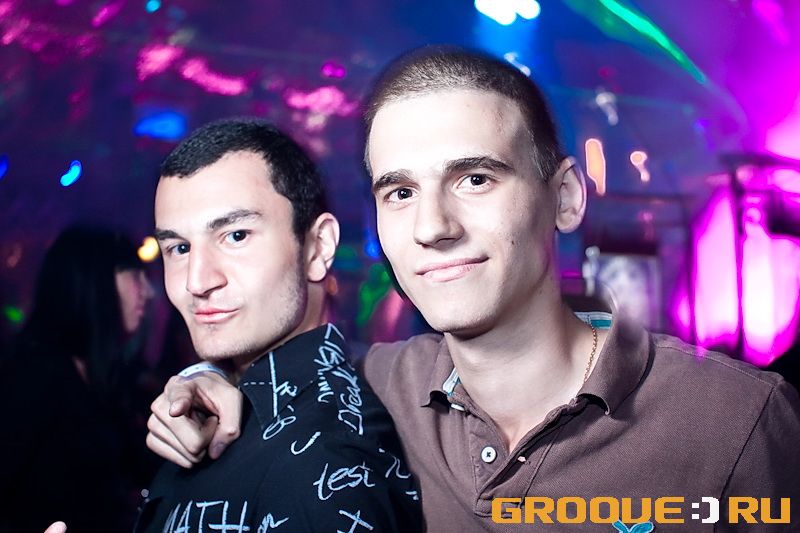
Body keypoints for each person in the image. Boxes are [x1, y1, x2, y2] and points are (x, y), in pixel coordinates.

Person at [147, 48, 800, 531]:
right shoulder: (374, 389)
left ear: (564, 198)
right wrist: (209, 378)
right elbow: (284, 365)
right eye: (400, 192)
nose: (433, 226)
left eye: (475, 179)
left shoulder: (735, 419)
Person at [135, 119, 421, 532]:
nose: (196, 282)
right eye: (179, 248)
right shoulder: (223, 402)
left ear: (318, 248)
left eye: (236, 236)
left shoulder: (328, 457)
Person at [1, 226, 154, 532]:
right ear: (96, 283)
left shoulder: (103, 375)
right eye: (135, 275)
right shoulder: (33, 376)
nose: (148, 291)